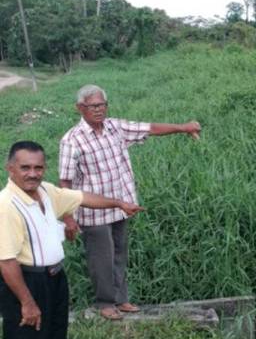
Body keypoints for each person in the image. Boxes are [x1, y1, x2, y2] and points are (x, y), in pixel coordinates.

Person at [0, 141, 143, 339]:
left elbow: (81, 197)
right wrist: (27, 302)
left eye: (38, 167)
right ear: (10, 168)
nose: (32, 173)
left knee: (54, 336)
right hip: (25, 282)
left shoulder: (46, 192)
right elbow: (6, 261)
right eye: (25, 167)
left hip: (54, 277)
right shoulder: (6, 205)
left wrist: (118, 203)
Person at [59, 84, 201, 320]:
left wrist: (183, 128)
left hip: (121, 208)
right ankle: (105, 303)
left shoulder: (115, 127)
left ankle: (121, 299)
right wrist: (68, 216)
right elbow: (65, 182)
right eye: (93, 106)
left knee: (119, 255)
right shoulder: (72, 140)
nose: (99, 110)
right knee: (101, 258)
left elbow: (150, 128)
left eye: (102, 104)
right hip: (94, 212)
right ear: (80, 108)